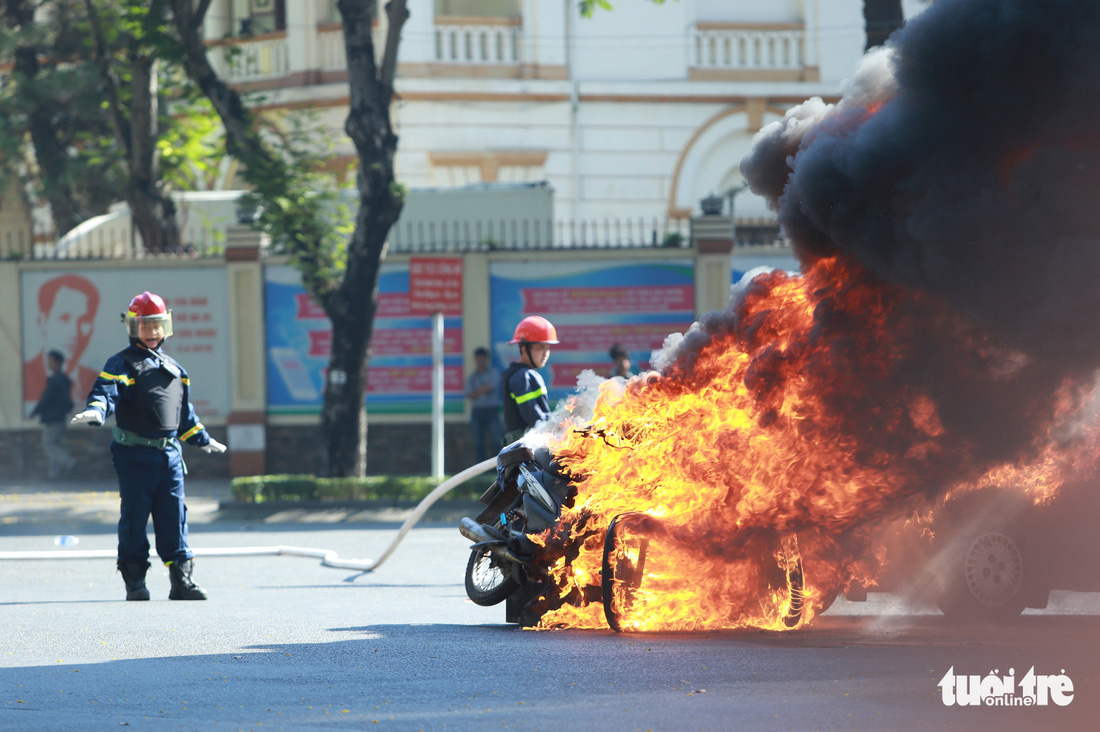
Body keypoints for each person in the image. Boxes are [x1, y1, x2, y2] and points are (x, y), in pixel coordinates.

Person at [71, 291, 227, 602]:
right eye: (146, 326)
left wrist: (203, 439)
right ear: (133, 327)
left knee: (174, 516)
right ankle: (135, 583)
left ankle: (181, 582)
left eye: (158, 325)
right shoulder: (122, 364)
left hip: (169, 455)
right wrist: (97, 410)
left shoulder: (175, 369)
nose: (153, 332)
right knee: (135, 516)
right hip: (134, 454)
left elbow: (185, 416)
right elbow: (107, 391)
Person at [23, 274, 101, 413]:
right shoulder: (25, 375)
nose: (75, 333)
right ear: (42, 321)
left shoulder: (95, 379)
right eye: (64, 318)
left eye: (84, 321)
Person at [501, 315, 559, 444]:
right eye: (540, 347)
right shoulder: (522, 376)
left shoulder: (524, 374)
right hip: (526, 451)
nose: (545, 354)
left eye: (547, 348)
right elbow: (535, 419)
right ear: (524, 348)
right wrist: (561, 421)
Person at [30, 349, 77, 479]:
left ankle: (70, 463)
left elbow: (46, 398)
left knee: (48, 445)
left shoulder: (56, 381)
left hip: (53, 418)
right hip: (60, 417)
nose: (49, 364)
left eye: (51, 361)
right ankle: (53, 474)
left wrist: (35, 411)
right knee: (53, 445)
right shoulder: (65, 380)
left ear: (58, 363)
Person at [465, 347, 503, 463]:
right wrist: (483, 389)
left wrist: (477, 391)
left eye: (483, 358)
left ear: (487, 359)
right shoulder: (472, 377)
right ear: (475, 359)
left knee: (497, 440)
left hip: (492, 410)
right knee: (478, 441)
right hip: (477, 411)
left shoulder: (494, 372)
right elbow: (469, 394)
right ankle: (481, 470)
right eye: (478, 358)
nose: (480, 361)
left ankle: (499, 467)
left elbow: (490, 386)